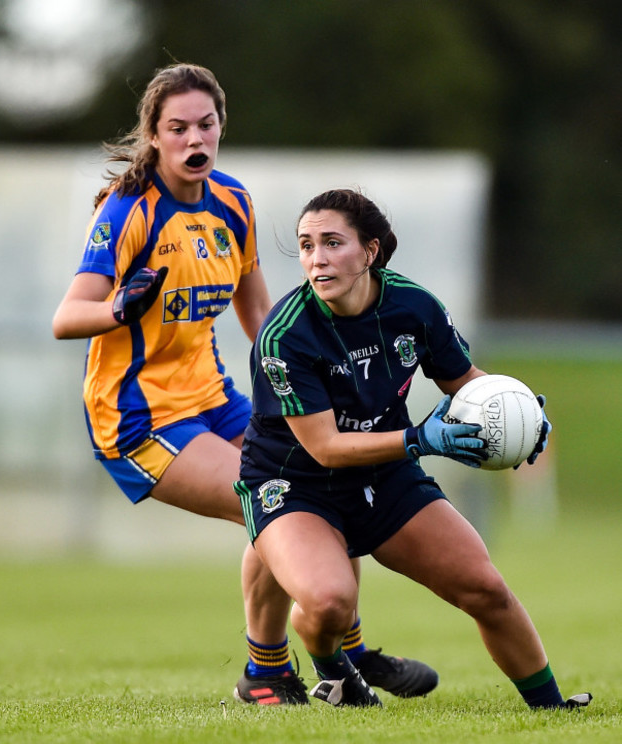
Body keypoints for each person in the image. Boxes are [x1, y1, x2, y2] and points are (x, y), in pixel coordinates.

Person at [52, 63, 439, 706]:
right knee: (270, 499)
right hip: (139, 417)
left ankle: (306, 658)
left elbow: (264, 322)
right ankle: (318, 659)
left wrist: (315, 387)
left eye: (205, 123)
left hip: (216, 398)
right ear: (153, 134)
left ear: (221, 127)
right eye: (177, 127)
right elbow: (69, 318)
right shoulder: (127, 211)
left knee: (326, 487)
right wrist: (120, 309)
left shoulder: (232, 202)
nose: (193, 137)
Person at [234, 188, 593, 709]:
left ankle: (551, 707)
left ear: (371, 251)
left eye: (333, 243)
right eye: (307, 245)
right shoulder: (285, 334)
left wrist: (518, 414)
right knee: (331, 602)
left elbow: (466, 382)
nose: (316, 258)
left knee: (484, 588)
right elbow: (327, 448)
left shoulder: (413, 306)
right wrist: (419, 439)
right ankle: (334, 669)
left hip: (384, 473)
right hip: (293, 482)